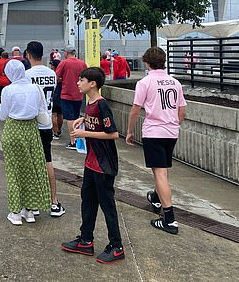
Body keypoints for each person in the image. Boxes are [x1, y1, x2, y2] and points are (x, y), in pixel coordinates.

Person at [61, 67, 124, 264]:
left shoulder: (102, 105)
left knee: (107, 205)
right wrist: (84, 120)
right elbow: (95, 123)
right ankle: (86, 240)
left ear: (93, 83)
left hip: (104, 164)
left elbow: (113, 134)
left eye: (82, 80)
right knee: (87, 200)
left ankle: (117, 246)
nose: (78, 83)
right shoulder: (89, 102)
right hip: (91, 163)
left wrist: (85, 134)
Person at [126, 47, 186, 235]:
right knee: (162, 169)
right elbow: (181, 109)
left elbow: (136, 109)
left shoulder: (145, 82)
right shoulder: (175, 82)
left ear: (147, 62)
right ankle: (156, 196)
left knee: (159, 172)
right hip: (171, 131)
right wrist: (175, 124)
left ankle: (169, 219)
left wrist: (129, 131)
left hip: (154, 131)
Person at [0, 59, 51, 225]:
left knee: (14, 171)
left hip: (13, 129)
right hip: (31, 130)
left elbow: (3, 115)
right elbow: (42, 110)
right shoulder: (35, 88)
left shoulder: (8, 90)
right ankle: (30, 210)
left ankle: (15, 212)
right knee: (31, 170)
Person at [25, 41, 65, 218]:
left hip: (31, 123)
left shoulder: (26, 75)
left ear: (28, 54)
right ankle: (54, 202)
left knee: (30, 163)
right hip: (46, 123)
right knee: (47, 160)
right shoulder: (51, 74)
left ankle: (32, 204)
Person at [55, 45, 87, 150]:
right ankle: (78, 139)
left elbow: (57, 76)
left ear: (66, 53)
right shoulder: (82, 63)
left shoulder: (63, 63)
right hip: (79, 94)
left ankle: (73, 140)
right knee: (76, 117)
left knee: (69, 118)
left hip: (66, 94)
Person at [50, 59, 63, 140]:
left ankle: (54, 132)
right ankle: (59, 130)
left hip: (54, 96)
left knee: (53, 114)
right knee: (60, 115)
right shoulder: (62, 76)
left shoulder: (53, 75)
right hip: (62, 96)